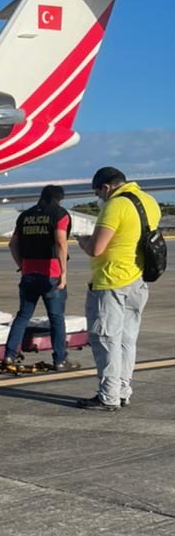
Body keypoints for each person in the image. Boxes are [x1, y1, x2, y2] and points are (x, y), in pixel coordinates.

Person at [75, 167, 160, 411]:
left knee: (105, 339)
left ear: (106, 187)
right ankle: (123, 390)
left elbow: (96, 248)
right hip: (138, 281)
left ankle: (108, 396)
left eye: (98, 193)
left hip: (111, 282)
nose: (99, 199)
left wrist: (82, 240)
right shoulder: (149, 201)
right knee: (127, 340)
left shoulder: (115, 206)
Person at [1, 185, 79, 370]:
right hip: (50, 273)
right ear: (59, 199)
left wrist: (22, 265)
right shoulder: (59, 214)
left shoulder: (24, 216)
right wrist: (63, 273)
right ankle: (60, 359)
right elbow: (60, 242)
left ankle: (9, 355)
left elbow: (12, 244)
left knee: (23, 316)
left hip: (28, 273)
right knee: (56, 318)